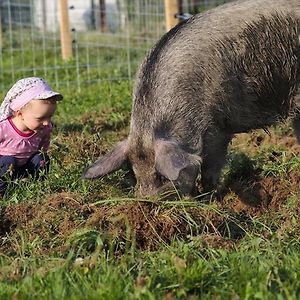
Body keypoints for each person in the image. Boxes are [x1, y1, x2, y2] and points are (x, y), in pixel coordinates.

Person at [0, 77, 63, 196]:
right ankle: (2, 192)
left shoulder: (44, 128)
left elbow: (43, 147)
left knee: (41, 158)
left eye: (50, 116)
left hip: (24, 168)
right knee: (8, 160)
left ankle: (36, 187)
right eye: (41, 118)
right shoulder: (3, 128)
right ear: (20, 114)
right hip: (4, 169)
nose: (46, 122)